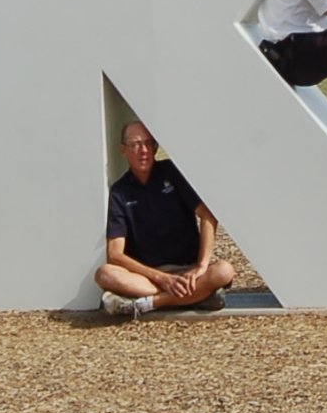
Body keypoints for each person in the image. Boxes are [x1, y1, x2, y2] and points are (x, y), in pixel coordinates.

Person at [96, 121, 236, 318]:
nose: (143, 151)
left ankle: (149, 304)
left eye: (148, 144)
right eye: (135, 145)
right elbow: (115, 254)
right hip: (150, 276)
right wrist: (161, 278)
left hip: (187, 271)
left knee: (224, 271)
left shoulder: (172, 172)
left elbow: (207, 215)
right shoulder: (120, 192)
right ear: (123, 150)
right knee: (105, 274)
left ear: (155, 148)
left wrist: (202, 266)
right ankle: (198, 296)